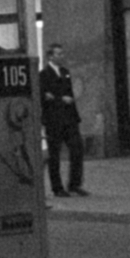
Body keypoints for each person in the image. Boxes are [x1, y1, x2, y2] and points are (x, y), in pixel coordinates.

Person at [40, 43, 87, 198]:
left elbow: (68, 93)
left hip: (70, 118)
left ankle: (75, 183)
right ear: (50, 56)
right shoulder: (43, 75)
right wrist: (60, 99)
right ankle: (57, 187)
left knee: (77, 149)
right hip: (54, 120)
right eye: (58, 54)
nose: (61, 56)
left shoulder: (65, 72)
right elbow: (45, 97)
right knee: (54, 155)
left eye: (62, 53)